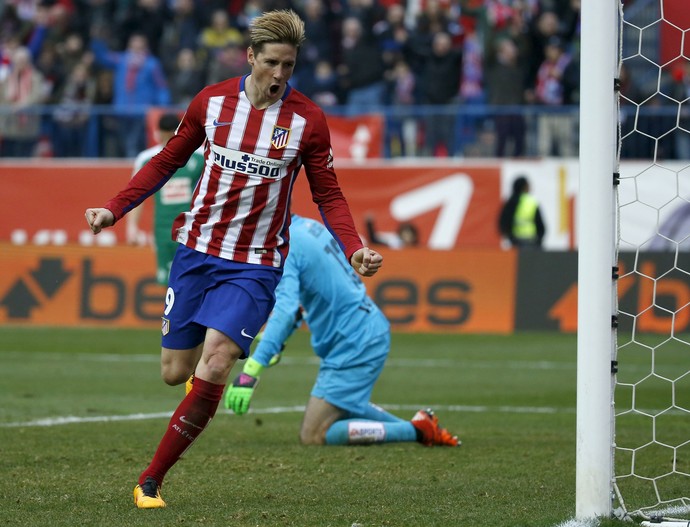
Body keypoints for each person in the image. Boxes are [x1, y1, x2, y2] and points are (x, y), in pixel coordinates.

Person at [84, 9, 383, 510]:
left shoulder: (307, 119)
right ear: (250, 57)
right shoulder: (213, 101)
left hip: (256, 264)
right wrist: (114, 209)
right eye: (271, 63)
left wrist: (355, 247)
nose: (280, 75)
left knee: (218, 359)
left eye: (289, 65)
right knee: (175, 372)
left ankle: (150, 480)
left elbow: (328, 194)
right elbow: (166, 160)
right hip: (198, 251)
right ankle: (201, 386)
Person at [224, 215, 458, 448]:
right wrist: (278, 339)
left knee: (314, 434)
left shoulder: (285, 245)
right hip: (361, 330)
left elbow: (285, 311)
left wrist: (252, 370)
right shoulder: (308, 227)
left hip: (354, 340)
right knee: (340, 407)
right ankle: (422, 427)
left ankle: (415, 431)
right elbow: (308, 297)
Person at [126, 112, 204, 285]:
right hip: (162, 230)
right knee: (166, 280)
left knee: (190, 279)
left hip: (191, 228)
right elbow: (137, 194)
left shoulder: (199, 157)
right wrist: (132, 227)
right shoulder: (147, 159)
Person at [498, 175, 546, 249]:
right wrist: (538, 241)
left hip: (516, 242)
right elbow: (541, 226)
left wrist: (511, 238)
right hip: (531, 242)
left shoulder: (510, 202)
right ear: (524, 187)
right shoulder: (531, 202)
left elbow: (503, 224)